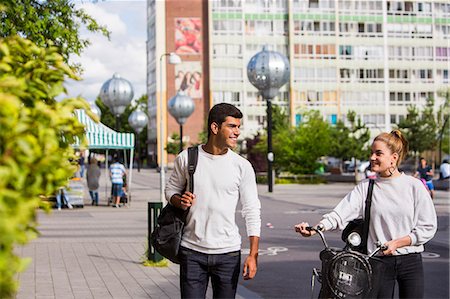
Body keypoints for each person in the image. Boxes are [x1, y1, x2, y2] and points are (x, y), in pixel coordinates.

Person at [295, 130, 437, 299]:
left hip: (410, 261)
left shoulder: (414, 187)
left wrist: (398, 243)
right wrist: (315, 228)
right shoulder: (366, 187)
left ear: (394, 158)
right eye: (371, 153)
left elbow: (428, 226)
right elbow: (339, 215)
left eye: (378, 153)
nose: (372, 157)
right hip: (378, 261)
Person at [165, 103, 261, 299]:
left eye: (238, 127)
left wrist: (253, 255)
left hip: (228, 254)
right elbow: (170, 190)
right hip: (192, 251)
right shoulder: (187, 158)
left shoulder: (242, 166)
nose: (237, 132)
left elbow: (251, 210)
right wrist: (179, 201)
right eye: (232, 126)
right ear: (215, 128)